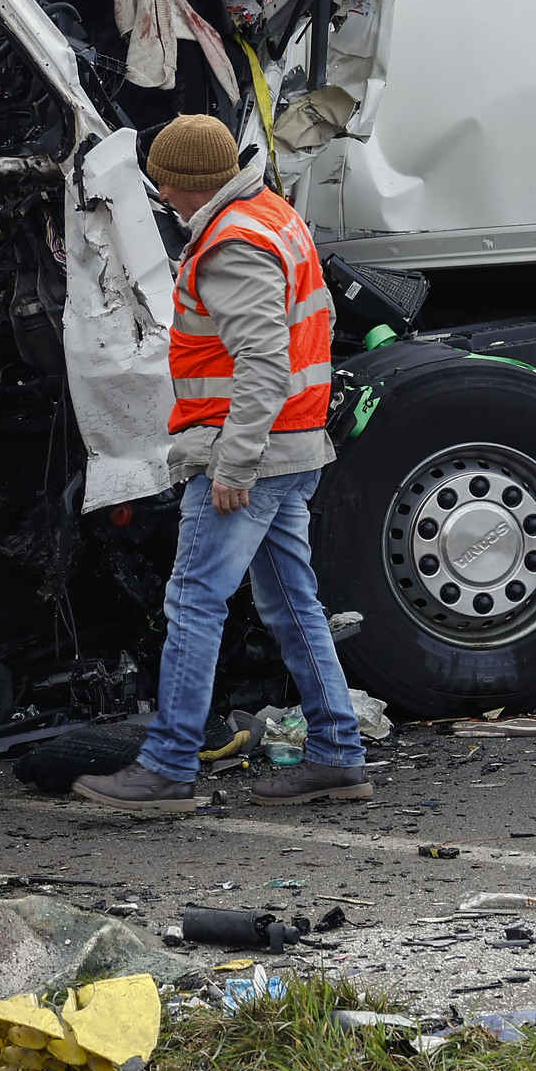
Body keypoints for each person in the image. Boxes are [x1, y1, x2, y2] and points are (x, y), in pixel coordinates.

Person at [75, 114, 371, 814]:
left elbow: (263, 363)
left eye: (165, 185)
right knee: (293, 603)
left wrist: (234, 466)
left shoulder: (230, 242)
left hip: (249, 458)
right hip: (292, 448)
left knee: (194, 604)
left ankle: (168, 766)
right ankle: (338, 754)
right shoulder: (269, 215)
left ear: (182, 183)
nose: (164, 198)